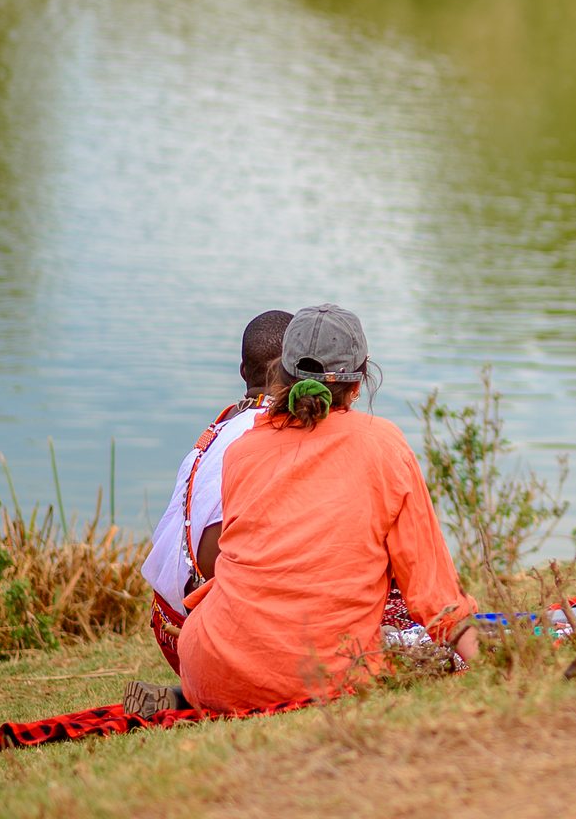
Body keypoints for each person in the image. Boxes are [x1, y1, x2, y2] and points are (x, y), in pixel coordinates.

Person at [176, 304, 479, 713]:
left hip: (211, 673)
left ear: (279, 375)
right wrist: (485, 664)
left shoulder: (241, 450)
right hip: (326, 675)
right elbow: (433, 592)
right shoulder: (383, 444)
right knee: (398, 626)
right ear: (359, 384)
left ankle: (190, 696)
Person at [137, 309, 291, 680]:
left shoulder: (219, 428)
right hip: (216, 636)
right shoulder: (281, 432)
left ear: (243, 373)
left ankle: (192, 689)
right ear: (299, 370)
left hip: (168, 627)